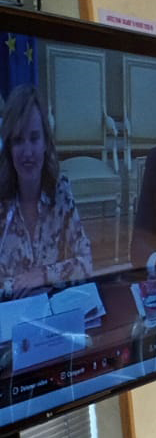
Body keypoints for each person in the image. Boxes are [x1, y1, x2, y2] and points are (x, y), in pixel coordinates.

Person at [0, 84, 93, 298]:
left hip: (53, 310)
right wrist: (20, 286)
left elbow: (86, 263)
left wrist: (44, 275)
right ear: (9, 147)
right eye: (18, 140)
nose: (28, 152)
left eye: (34, 138)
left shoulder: (60, 191)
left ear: (45, 143)